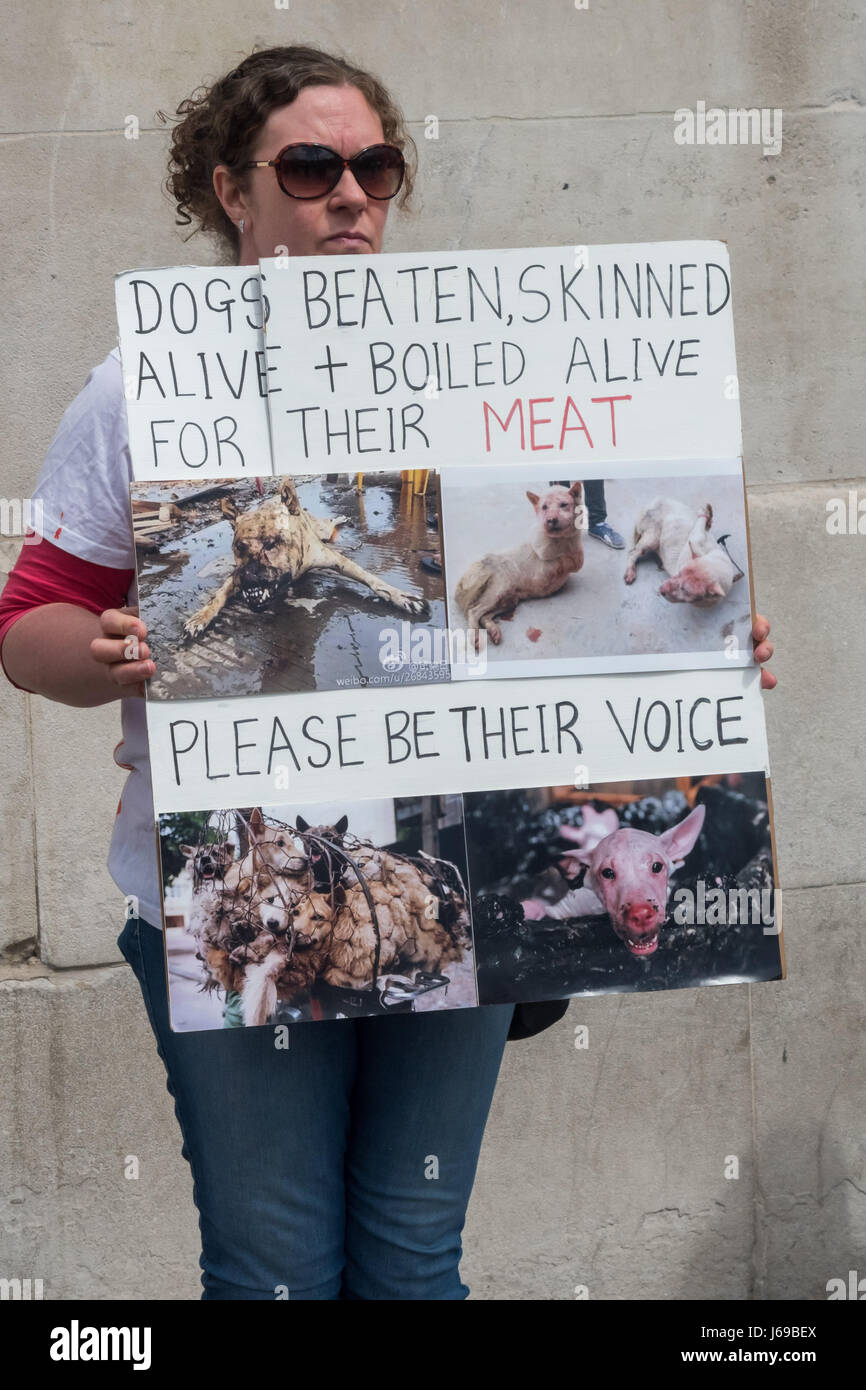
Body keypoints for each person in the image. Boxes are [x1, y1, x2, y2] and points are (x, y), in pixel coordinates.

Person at [0, 44, 777, 1301]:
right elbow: (28, 627)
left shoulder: (476, 368)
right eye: (310, 167)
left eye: (375, 166)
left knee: (415, 1263)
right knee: (275, 1273)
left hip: (441, 888)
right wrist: (101, 653)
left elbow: (545, 628)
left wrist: (701, 664)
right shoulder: (139, 386)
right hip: (239, 903)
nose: (350, 195)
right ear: (232, 192)